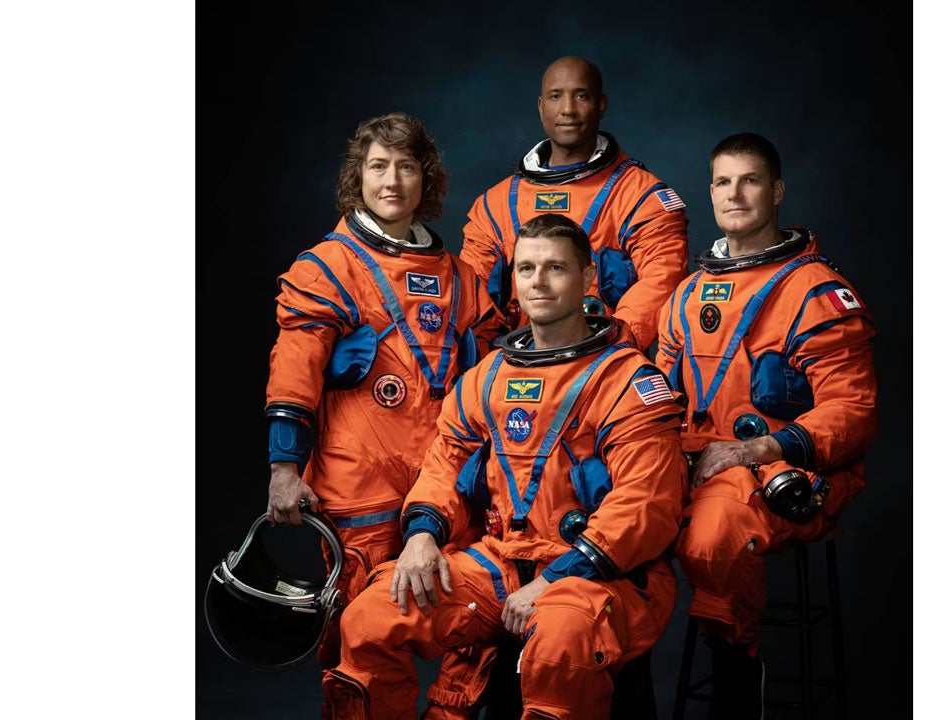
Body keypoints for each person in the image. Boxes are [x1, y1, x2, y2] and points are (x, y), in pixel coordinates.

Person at [323, 214, 687, 720]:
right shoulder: (486, 377)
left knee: (560, 643)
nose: (537, 281)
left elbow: (647, 506)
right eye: (526, 268)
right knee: (369, 616)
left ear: (586, 280)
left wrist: (557, 576)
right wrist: (423, 534)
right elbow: (444, 463)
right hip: (500, 562)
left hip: (603, 573)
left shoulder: (627, 381)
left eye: (555, 268)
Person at [262, 112, 504, 714]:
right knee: (360, 637)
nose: (392, 180)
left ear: (427, 178)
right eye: (377, 167)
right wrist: (284, 467)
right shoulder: (326, 268)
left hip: (447, 485)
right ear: (358, 178)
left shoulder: (462, 280)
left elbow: (503, 373)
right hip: (357, 489)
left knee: (468, 621)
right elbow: (293, 371)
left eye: (405, 166)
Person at [655, 133, 878, 717]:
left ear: (776, 190)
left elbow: (852, 412)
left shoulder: (816, 293)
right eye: (723, 182)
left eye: (750, 180)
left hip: (786, 469)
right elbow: (657, 399)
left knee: (713, 533)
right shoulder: (686, 295)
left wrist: (759, 447)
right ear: (710, 193)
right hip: (694, 464)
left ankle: (736, 673)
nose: (735, 193)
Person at [460, 55, 690, 350]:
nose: (568, 110)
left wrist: (607, 352)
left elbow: (661, 281)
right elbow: (469, 295)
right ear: (542, 107)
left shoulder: (641, 196)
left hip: (603, 367)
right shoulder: (496, 205)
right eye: (556, 97)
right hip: (514, 368)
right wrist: (492, 362)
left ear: (601, 105)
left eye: (581, 96)